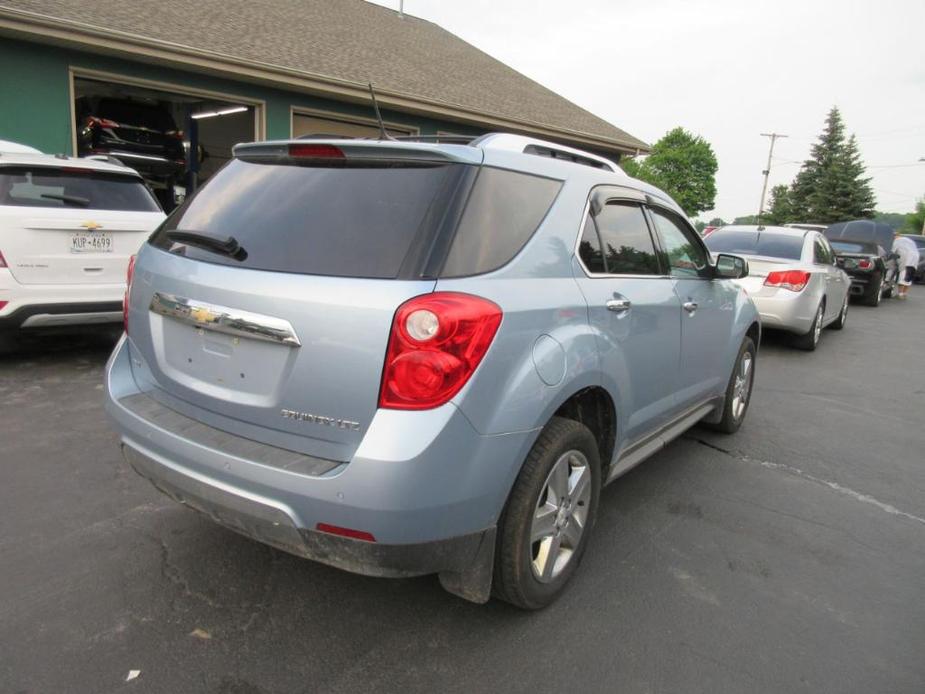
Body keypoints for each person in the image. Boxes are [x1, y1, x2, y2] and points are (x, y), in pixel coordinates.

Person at [893, 233, 920, 299]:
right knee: (909, 274)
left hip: (906, 257)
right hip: (915, 256)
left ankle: (900, 294)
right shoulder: (909, 240)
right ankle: (904, 293)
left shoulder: (896, 240)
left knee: (903, 274)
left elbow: (893, 251)